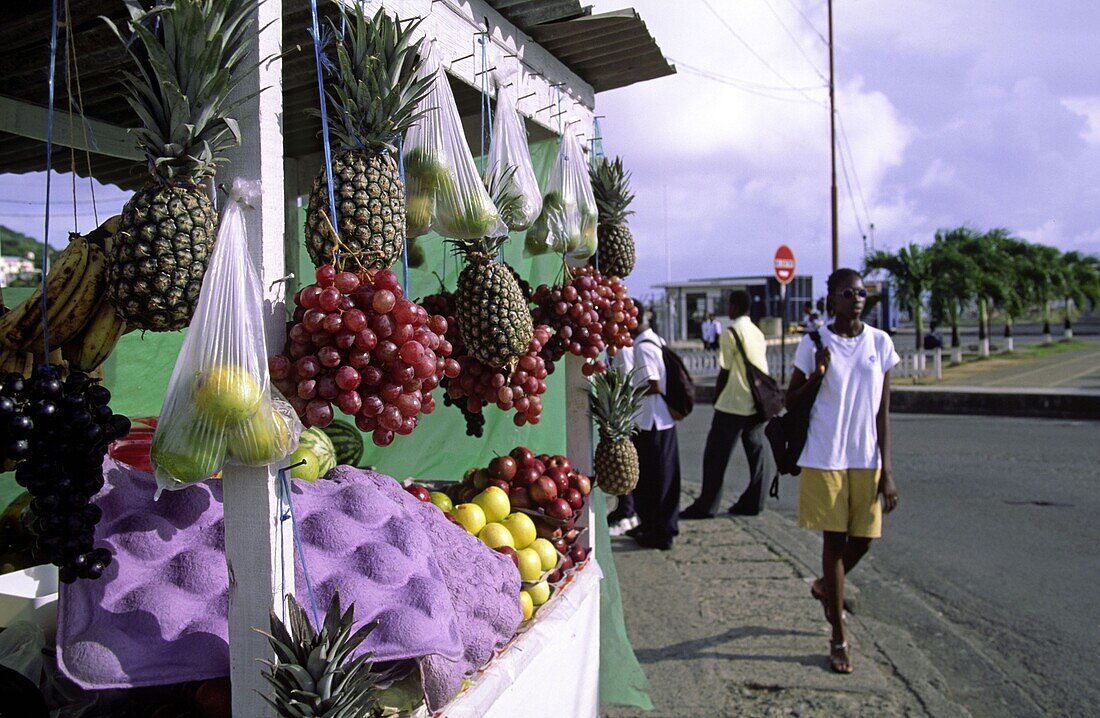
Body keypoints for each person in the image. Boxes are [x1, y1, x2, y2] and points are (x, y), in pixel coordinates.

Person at [785, 268, 900, 675]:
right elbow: (789, 400)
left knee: (865, 540)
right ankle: (839, 637)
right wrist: (817, 372)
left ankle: (823, 588)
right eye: (849, 292)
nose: (857, 298)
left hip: (866, 460)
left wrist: (887, 470)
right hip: (824, 457)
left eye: (862, 293)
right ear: (831, 298)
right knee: (834, 545)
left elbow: (883, 414)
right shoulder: (814, 342)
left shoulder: (880, 343)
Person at [680, 290, 777, 519]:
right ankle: (755, 502)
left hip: (733, 402)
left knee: (716, 456)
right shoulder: (756, 332)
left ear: (735, 306)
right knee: (757, 453)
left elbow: (725, 370)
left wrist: (717, 397)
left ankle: (707, 504)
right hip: (757, 401)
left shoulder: (731, 333)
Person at [624, 304, 681, 550]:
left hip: (652, 420)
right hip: (661, 420)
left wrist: (627, 391)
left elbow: (653, 383)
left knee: (654, 480)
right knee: (661, 478)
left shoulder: (642, 347)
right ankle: (653, 525)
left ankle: (660, 531)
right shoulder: (657, 340)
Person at [605, 342, 640, 537]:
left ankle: (627, 514)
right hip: (614, 419)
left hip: (621, 419)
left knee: (623, 469)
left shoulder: (624, 351)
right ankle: (625, 510)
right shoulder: (615, 350)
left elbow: (626, 385)